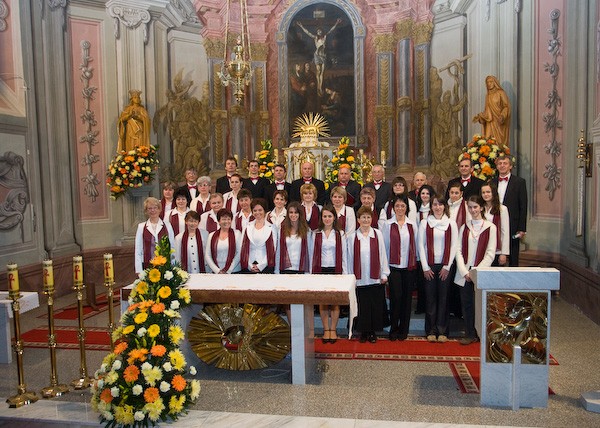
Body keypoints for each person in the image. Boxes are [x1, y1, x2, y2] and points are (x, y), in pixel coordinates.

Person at [454, 195, 497, 345]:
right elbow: (458, 250)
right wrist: (465, 271)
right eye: (470, 207)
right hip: (465, 272)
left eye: (475, 207)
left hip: (481, 272)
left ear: (482, 208)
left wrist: (477, 272)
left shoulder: (490, 227)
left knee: (480, 304)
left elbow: (490, 253)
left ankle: (481, 334)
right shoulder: (464, 227)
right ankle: (469, 333)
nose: (473, 210)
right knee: (467, 304)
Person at [418, 196, 458, 343]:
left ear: (444, 206)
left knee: (444, 298)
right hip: (429, 266)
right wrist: (425, 267)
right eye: (435, 204)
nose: (438, 207)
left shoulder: (451, 223)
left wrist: (447, 266)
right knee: (430, 299)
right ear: (431, 207)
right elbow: (420, 245)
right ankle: (431, 330)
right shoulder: (425, 223)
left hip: (445, 266)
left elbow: (454, 245)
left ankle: (442, 331)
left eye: (440, 204)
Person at [347, 206, 390, 343]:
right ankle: (363, 332)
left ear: (372, 219)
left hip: (375, 277)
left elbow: (383, 253)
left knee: (374, 305)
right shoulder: (352, 237)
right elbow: (349, 258)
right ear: (358, 220)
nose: (366, 220)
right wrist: (350, 277)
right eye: (363, 217)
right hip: (359, 278)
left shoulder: (378, 234)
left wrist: (384, 273)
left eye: (368, 217)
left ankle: (372, 332)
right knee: (362, 305)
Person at [381, 195, 418, 341]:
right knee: (396, 298)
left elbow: (416, 244)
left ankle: (404, 329)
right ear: (393, 208)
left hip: (409, 267)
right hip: (394, 267)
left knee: (407, 299)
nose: (400, 208)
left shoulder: (412, 225)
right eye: (397, 206)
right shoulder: (388, 225)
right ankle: (393, 328)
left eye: (403, 206)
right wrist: (384, 269)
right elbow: (384, 248)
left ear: (406, 208)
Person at [310, 204, 348, 344]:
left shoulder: (340, 234)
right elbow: (311, 254)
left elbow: (344, 255)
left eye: (329, 216)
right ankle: (326, 329)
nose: (327, 219)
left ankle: (333, 329)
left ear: (334, 217)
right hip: (320, 270)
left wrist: (344, 273)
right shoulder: (315, 233)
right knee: (323, 301)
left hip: (335, 270)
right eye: (324, 216)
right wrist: (311, 273)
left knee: (335, 302)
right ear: (321, 218)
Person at [490, 154, 527, 266]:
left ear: (510, 166)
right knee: (494, 249)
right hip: (494, 220)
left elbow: (523, 206)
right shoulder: (491, 182)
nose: (502, 166)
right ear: (497, 166)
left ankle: (512, 275)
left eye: (505, 163)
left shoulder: (519, 182)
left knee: (513, 254)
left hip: (512, 223)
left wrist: (521, 228)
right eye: (500, 164)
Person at [296, 18, 342, 96]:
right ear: (317, 32)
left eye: (320, 31)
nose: (319, 32)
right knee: (318, 71)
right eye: (318, 31)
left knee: (322, 73)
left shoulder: (325, 37)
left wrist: (336, 23)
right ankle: (318, 87)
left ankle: (320, 87)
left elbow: (331, 30)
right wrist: (301, 26)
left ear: (322, 32)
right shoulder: (315, 38)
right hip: (317, 55)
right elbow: (307, 32)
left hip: (323, 56)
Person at [134, 197, 175, 273]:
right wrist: (139, 270)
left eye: (155, 208)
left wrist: (173, 267)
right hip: (147, 265)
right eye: (149, 208)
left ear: (159, 209)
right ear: (146, 211)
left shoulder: (167, 226)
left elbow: (172, 247)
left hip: (165, 266)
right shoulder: (141, 227)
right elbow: (138, 249)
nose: (153, 210)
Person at [239, 198, 277, 274]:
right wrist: (250, 265)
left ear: (265, 211)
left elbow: (274, 249)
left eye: (260, 210)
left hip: (266, 267)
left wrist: (260, 266)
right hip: (249, 266)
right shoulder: (247, 226)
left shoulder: (272, 227)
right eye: (255, 210)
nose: (257, 212)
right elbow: (242, 247)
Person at [473, 75, 511, 149]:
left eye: (491, 82)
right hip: (490, 122)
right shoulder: (488, 95)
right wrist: (480, 116)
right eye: (487, 82)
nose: (489, 84)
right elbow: (487, 111)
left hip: (499, 122)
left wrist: (503, 116)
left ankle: (500, 155)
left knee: (499, 144)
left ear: (495, 82)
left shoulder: (501, 93)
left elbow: (506, 106)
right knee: (488, 141)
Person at [276, 202, 311, 274]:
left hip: (301, 268)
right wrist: (276, 270)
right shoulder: (281, 230)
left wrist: (309, 271)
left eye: (296, 212)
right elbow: (278, 251)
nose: (293, 215)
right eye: (291, 212)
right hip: (285, 268)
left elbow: (310, 252)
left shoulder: (307, 231)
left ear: (300, 214)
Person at [481, 182, 510, 266]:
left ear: (493, 192)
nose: (486, 194)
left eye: (488, 192)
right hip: (481, 248)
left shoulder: (502, 209)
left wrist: (503, 253)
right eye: (483, 192)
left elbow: (505, 232)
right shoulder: (479, 208)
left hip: (496, 249)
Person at [205, 208, 242, 274]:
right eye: (224, 219)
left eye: (229, 219)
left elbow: (239, 253)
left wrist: (228, 270)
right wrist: (217, 271)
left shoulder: (237, 233)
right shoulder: (211, 235)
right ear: (219, 221)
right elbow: (207, 255)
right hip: (217, 272)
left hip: (233, 271)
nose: (226, 221)